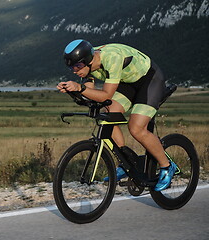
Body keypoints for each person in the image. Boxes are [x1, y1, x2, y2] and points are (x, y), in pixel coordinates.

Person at [57, 39, 177, 191]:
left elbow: (105, 95)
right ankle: (126, 161)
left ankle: (167, 166)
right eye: (71, 67)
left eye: (78, 66)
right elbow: (89, 93)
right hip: (128, 82)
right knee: (108, 115)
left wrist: (79, 88)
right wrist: (74, 91)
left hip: (149, 79)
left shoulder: (111, 57)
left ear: (87, 60)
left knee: (136, 128)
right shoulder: (86, 64)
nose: (75, 70)